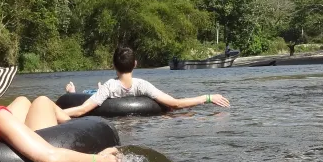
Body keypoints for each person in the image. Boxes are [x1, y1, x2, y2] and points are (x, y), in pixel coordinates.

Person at [62, 46, 230, 117]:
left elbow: (81, 111)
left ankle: (72, 91)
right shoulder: (142, 85)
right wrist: (208, 97)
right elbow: (176, 103)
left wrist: (57, 114)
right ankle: (72, 93)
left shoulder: (109, 86)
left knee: (94, 92)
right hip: (106, 94)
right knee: (89, 93)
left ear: (114, 65)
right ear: (135, 64)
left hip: (107, 94)